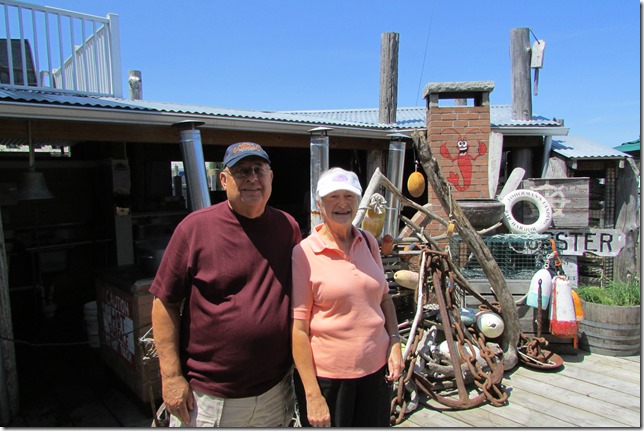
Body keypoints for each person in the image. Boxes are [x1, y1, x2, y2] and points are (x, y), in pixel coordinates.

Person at [150, 142, 302, 427]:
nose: (252, 179)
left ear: (272, 177)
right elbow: (164, 302)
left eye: (259, 170)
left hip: (275, 392)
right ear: (224, 179)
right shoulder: (195, 229)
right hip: (210, 401)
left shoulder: (288, 228)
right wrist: (170, 377)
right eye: (242, 171)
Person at [291, 167, 404, 427]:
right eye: (333, 197)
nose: (342, 204)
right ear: (319, 204)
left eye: (349, 196)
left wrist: (395, 342)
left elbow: (384, 299)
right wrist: (313, 394)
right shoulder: (304, 252)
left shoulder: (368, 241)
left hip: (376, 373)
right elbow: (298, 330)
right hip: (329, 380)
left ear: (358, 202)